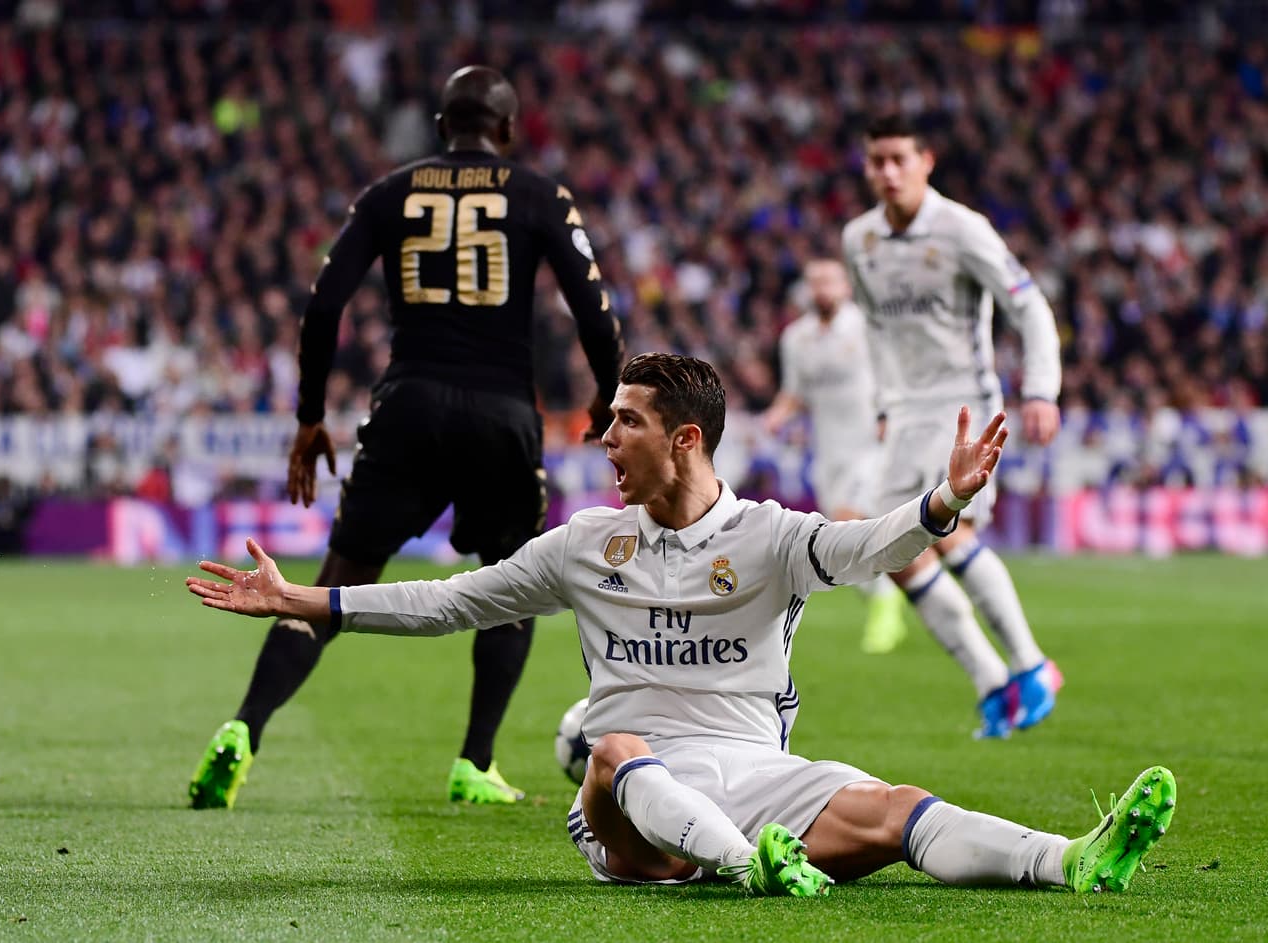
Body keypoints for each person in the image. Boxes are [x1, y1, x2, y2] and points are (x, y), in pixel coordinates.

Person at [187, 353, 1174, 897]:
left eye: (623, 421)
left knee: (895, 806)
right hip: (632, 810)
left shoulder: (774, 537)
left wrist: (937, 506)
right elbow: (450, 599)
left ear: (684, 438)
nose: (601, 436)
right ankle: (753, 870)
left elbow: (870, 545)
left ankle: (1069, 858)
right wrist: (303, 599)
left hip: (754, 774)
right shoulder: (583, 543)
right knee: (610, 748)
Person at [187, 65, 625, 809]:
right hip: (500, 411)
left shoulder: (391, 192)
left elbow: (324, 304)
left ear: (438, 126)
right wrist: (610, 399)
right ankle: (474, 761)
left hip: (408, 404)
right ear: (508, 130)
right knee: (513, 582)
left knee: (336, 579)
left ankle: (243, 726)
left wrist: (307, 416)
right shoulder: (538, 193)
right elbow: (593, 306)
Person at [841, 114, 1064, 739]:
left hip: (962, 406)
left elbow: (1029, 306)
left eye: (898, 160)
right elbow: (878, 330)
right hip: (905, 413)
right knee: (892, 549)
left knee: (951, 530)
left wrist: (1041, 389)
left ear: (925, 162)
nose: (887, 172)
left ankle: (1031, 666)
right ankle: (996, 682)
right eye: (875, 161)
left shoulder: (963, 230)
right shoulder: (858, 240)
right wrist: (885, 402)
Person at [764, 258, 907, 655]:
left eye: (829, 281)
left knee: (846, 523)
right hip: (827, 453)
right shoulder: (796, 338)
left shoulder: (864, 327)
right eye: (815, 282)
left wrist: (887, 414)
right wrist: (776, 417)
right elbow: (794, 392)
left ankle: (885, 603)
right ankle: (886, 592)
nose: (822, 289)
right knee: (839, 546)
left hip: (869, 447)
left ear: (845, 287)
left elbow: (893, 374)